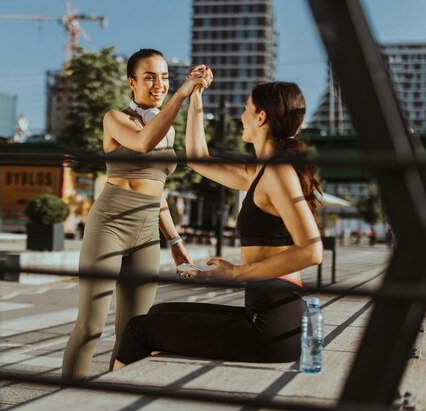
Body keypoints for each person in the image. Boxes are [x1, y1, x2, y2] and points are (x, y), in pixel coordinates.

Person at [113, 81, 324, 368]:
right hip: (268, 311)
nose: (241, 116)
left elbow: (312, 251)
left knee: (139, 329)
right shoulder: (259, 173)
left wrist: (237, 273)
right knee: (159, 311)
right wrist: (195, 97)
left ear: (261, 118)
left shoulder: (277, 173)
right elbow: (198, 160)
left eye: (246, 109)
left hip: (274, 324)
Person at [61, 49, 212, 379]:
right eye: (149, 77)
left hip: (147, 233)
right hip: (110, 225)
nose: (159, 84)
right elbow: (143, 142)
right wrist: (182, 95)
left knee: (135, 332)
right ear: (132, 82)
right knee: (90, 325)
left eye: (165, 77)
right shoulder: (115, 119)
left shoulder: (168, 130)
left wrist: (174, 240)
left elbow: (158, 191)